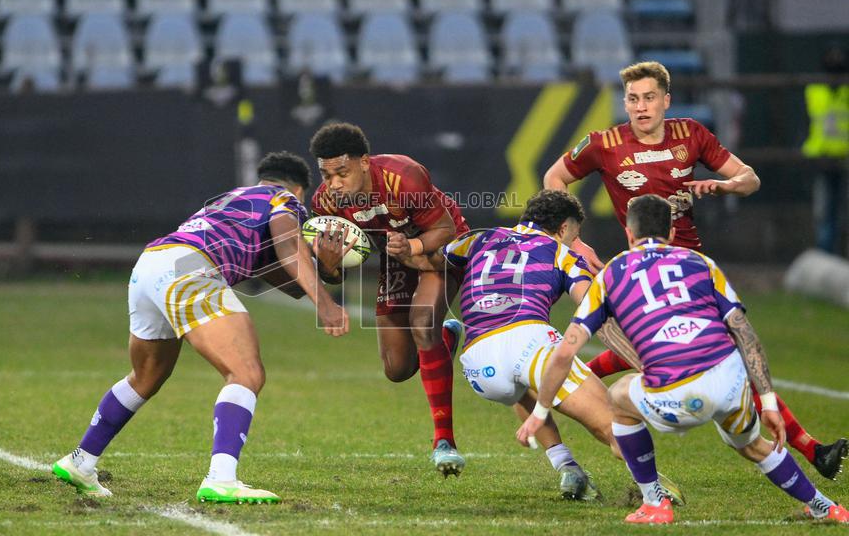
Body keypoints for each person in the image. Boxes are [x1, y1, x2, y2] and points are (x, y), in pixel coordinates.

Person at [543, 60, 847, 479]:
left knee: (649, 352)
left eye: (649, 97)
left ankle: (559, 381)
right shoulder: (604, 143)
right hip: (644, 276)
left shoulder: (692, 134)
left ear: (666, 100)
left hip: (692, 271)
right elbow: (554, 177)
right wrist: (574, 240)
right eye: (633, 99)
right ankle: (811, 449)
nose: (641, 107)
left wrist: (724, 185)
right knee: (724, 354)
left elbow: (750, 178)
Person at [517, 194, 848, 524]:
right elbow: (745, 334)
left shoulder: (611, 274)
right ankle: (826, 506)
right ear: (672, 233)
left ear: (629, 235)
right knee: (753, 446)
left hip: (676, 392)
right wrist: (769, 404)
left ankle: (654, 503)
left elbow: (564, 353)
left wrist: (541, 410)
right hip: (729, 381)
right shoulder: (702, 264)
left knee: (619, 395)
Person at [52, 152, 349, 503]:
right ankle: (221, 478)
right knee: (246, 372)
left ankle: (81, 461)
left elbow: (291, 282)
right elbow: (288, 247)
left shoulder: (236, 202)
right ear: (299, 190)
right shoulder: (283, 199)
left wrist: (328, 271)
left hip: (151, 264)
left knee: (146, 375)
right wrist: (327, 304)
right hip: (191, 267)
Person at [399, 190, 681, 501]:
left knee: (525, 384)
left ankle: (568, 468)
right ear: (563, 229)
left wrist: (400, 249)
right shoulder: (562, 253)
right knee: (612, 425)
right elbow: (591, 310)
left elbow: (427, 260)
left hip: (479, 363)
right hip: (527, 341)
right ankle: (655, 492)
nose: (575, 241)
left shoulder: (479, 238)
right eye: (575, 234)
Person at [309, 122, 468, 476]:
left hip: (438, 246)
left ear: (365, 162)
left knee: (423, 322)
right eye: (326, 174)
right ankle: (447, 338)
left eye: (341, 173)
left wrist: (412, 246)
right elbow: (334, 274)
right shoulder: (324, 203)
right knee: (397, 370)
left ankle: (444, 441)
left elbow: (446, 229)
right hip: (395, 257)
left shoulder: (403, 176)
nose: (334, 183)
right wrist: (329, 266)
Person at [802, 44, 849, 255]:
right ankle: (826, 256)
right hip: (823, 159)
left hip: (842, 159)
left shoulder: (816, 89)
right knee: (825, 213)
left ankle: (833, 255)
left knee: (833, 213)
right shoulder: (815, 90)